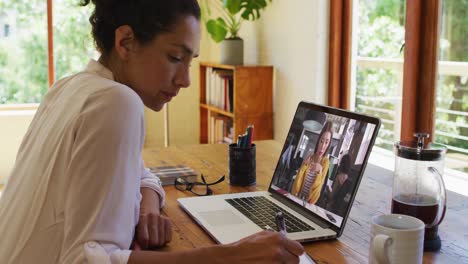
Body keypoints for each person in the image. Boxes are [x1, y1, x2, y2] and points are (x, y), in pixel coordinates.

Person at [0, 1, 304, 263]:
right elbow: (85, 260)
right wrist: (233, 256)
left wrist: (147, 207)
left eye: (190, 61)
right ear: (126, 42)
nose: (185, 80)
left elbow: (141, 172)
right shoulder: (117, 102)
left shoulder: (69, 87)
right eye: (175, 58)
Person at [291, 121, 333, 204]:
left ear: (329, 144)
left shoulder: (326, 162)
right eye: (322, 141)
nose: (323, 146)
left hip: (308, 204)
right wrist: (303, 167)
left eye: (326, 142)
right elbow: (295, 187)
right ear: (318, 140)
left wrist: (320, 172)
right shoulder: (310, 155)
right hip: (296, 199)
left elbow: (314, 197)